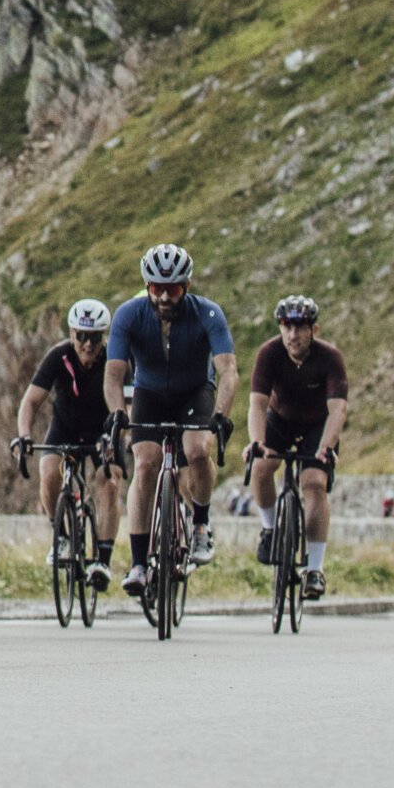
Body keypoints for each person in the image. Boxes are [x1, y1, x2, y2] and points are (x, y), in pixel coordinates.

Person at [106, 244, 236, 575]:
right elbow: (113, 374)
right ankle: (137, 564)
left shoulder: (208, 313)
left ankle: (201, 526)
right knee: (146, 464)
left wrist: (220, 414)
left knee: (196, 451)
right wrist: (119, 412)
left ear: (187, 286)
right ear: (147, 287)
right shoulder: (129, 315)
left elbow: (228, 371)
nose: (164, 297)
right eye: (156, 289)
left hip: (195, 392)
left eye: (173, 289)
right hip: (149, 393)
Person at [13, 298, 122, 592]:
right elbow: (31, 401)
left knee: (109, 483)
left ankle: (103, 558)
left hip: (104, 432)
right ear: (72, 334)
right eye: (82, 337)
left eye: (95, 337)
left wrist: (114, 439)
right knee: (49, 473)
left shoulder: (115, 358)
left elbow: (129, 408)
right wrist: (23, 435)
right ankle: (60, 535)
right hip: (65, 429)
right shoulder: (58, 356)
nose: (88, 344)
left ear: (104, 337)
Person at [244, 294, 347, 599]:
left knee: (314, 483)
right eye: (286, 326)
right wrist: (256, 442)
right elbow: (257, 405)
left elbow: (338, 410)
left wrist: (326, 447)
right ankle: (270, 528)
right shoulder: (269, 353)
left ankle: (314, 569)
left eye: (300, 327)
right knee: (260, 468)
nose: (292, 334)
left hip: (318, 425)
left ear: (314, 330)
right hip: (281, 419)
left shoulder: (330, 357)